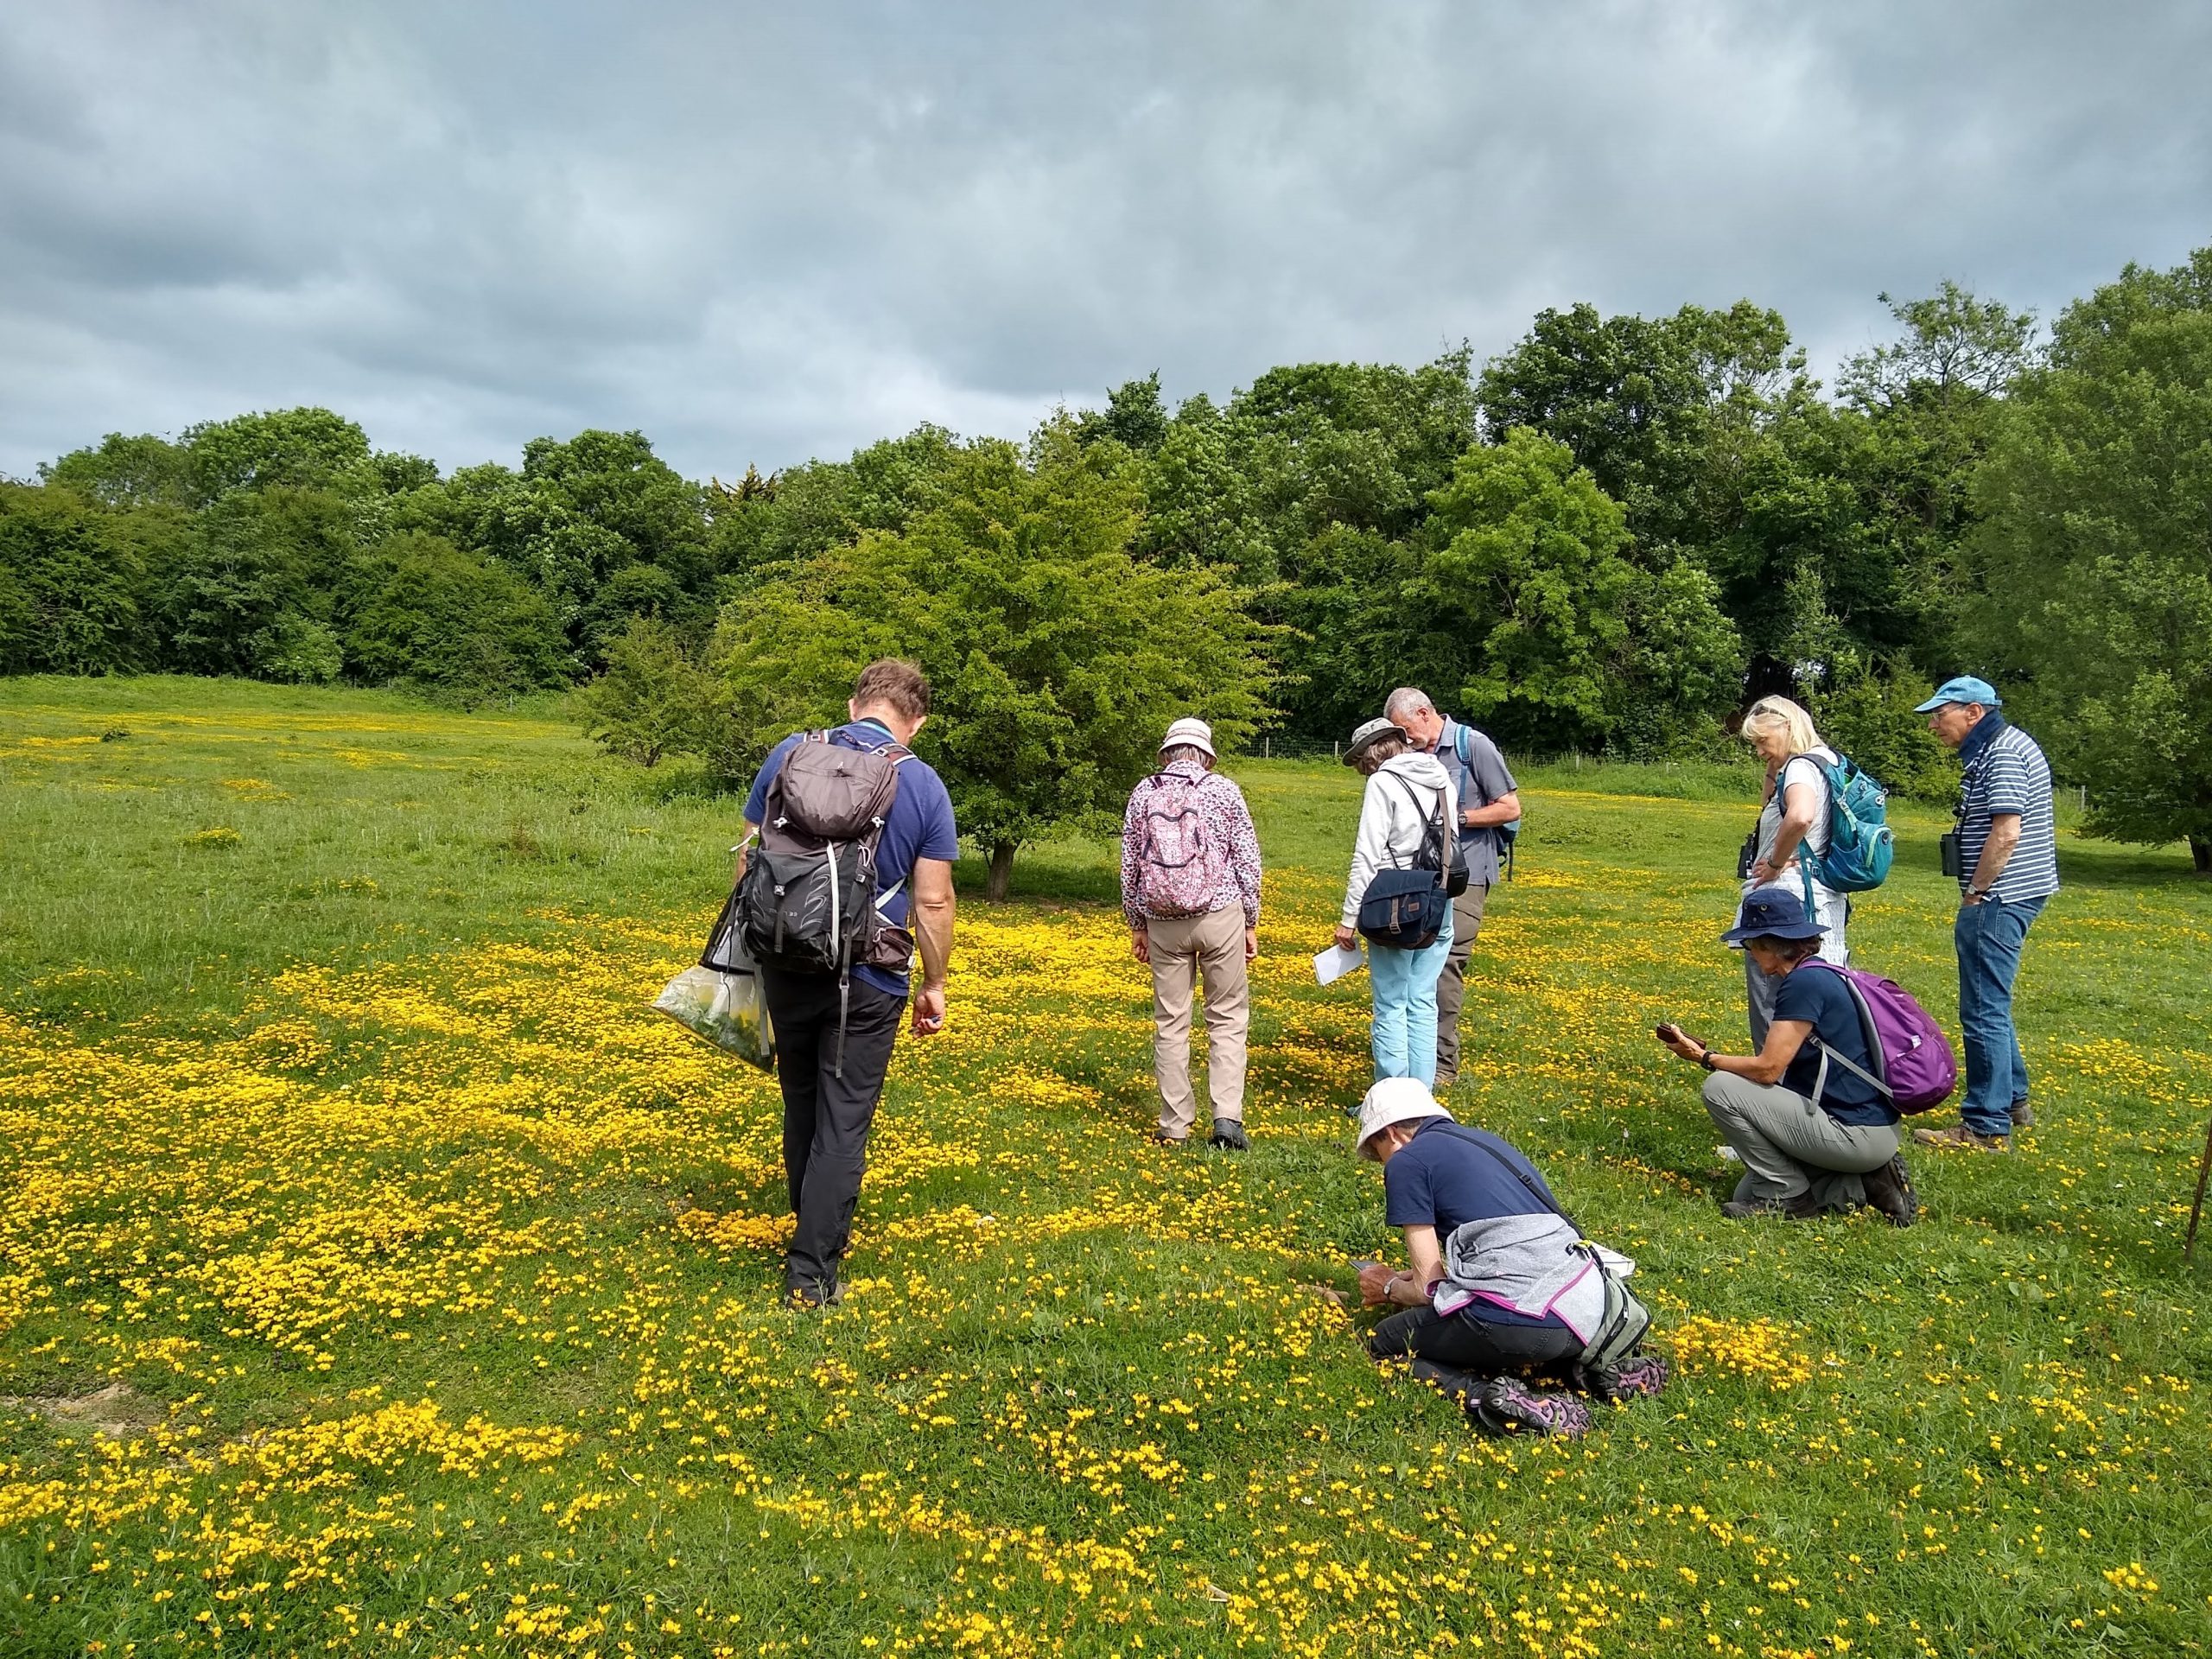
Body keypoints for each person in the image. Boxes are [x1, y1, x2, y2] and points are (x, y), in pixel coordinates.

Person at [741, 659, 959, 1306]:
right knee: (845, 1120)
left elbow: (752, 857)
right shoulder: (921, 783)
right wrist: (935, 982)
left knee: (802, 1101)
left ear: (854, 703)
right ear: (916, 722)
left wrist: (751, 949)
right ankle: (811, 1273)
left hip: (786, 960)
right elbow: (936, 900)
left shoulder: (789, 753)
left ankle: (809, 1229)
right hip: (870, 975)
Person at [1353, 1078, 1668, 1439]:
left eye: (1377, 1153)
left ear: (1391, 1133)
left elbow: (1428, 1289)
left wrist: (1390, 1287)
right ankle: (1592, 1375)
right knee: (1517, 1329)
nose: (1382, 1164)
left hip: (1525, 1323)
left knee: (1387, 1342)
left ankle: (1489, 1400)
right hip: (1588, 1309)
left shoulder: (1407, 1161)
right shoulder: (1484, 1141)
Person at [1655, 886, 1916, 1224]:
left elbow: (1767, 1069)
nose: (1748, 953)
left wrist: (1705, 1058)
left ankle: (1788, 1196)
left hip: (1856, 1133)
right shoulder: (1820, 973)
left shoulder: (1802, 985)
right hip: (1869, 1128)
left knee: (1720, 1087)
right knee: (1745, 1195)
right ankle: (1865, 1184)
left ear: (1771, 945)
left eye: (1750, 944)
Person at [1910, 676, 2059, 1150]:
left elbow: (2008, 832)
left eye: (1940, 714)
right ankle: (2014, 1101)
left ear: (1973, 712)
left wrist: (1977, 890)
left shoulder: (2003, 753)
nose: (1934, 725)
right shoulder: (1998, 746)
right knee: (1990, 999)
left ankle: (1985, 1125)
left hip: (2001, 895)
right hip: (2015, 891)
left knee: (1982, 1008)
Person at [1121, 716, 1263, 1150]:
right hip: (1220, 914)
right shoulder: (1224, 791)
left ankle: (1174, 1124)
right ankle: (1227, 1118)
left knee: (1171, 1021)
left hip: (1163, 920)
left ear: (1167, 753)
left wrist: (1138, 924)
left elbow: (1130, 864)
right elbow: (1247, 859)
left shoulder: (1144, 793)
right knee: (1227, 1017)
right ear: (1206, 755)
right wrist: (1251, 921)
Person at [1383, 688, 1520, 1089]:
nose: (1404, 740)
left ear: (1425, 713)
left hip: (1467, 875)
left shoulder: (1472, 746)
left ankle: (1442, 1066)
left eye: (1406, 730)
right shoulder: (1408, 754)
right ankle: (1413, 1059)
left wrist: (1454, 818)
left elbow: (1510, 808)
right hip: (1419, 876)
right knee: (1412, 961)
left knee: (1445, 965)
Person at [1335, 716, 1458, 1087]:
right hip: (1439, 896)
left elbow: (1367, 855)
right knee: (1422, 1002)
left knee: (1391, 1004)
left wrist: (1348, 917)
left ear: (1370, 756)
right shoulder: (1440, 777)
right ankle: (1421, 1098)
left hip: (1395, 902)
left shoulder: (1383, 783)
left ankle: (1391, 1102)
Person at [1735, 695, 1849, 1048]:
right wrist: (1773, 771)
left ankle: (1775, 1089)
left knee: (1775, 1002)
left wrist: (1773, 863)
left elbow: (1800, 815)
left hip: (1783, 905)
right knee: (1818, 1000)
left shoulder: (1800, 768)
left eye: (1762, 742)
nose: (1759, 751)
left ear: (1787, 728)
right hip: (1820, 898)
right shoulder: (1829, 762)